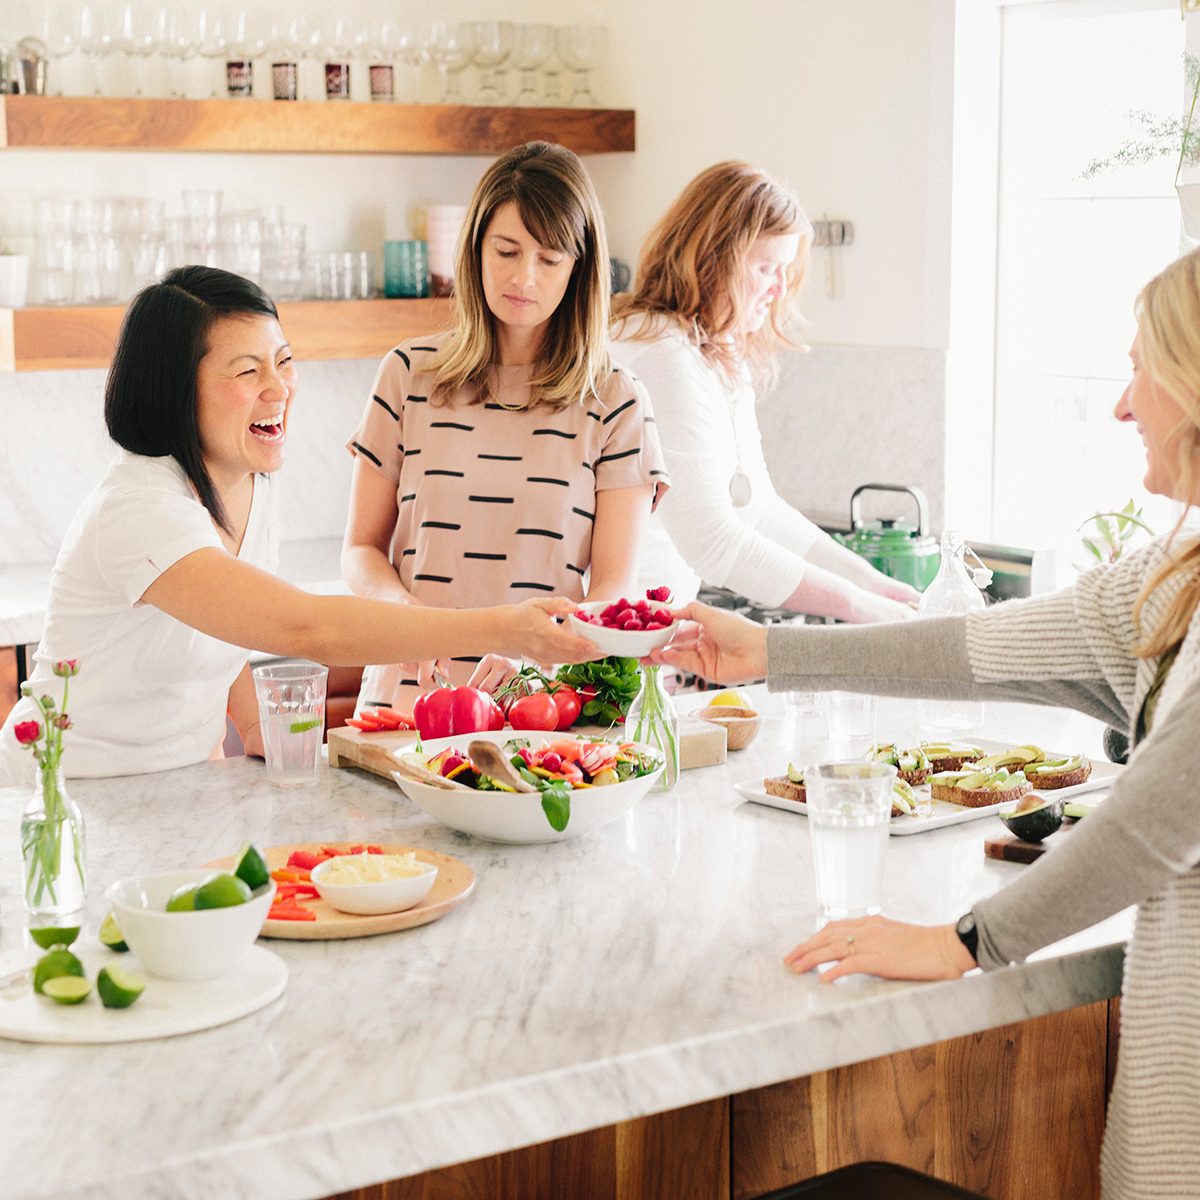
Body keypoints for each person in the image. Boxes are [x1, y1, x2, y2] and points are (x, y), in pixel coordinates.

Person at [653, 248, 1200, 1198]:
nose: (1122, 405)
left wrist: (963, 941)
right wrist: (772, 654)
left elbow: (1155, 824)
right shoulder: (1175, 573)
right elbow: (979, 650)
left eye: (1140, 369)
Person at [0, 266, 597, 786]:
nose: (278, 387)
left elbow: (217, 627)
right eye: (247, 370)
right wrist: (503, 628)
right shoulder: (139, 508)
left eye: (284, 361)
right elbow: (304, 626)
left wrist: (255, 725)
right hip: (63, 797)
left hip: (172, 790)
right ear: (175, 393)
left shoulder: (247, 484)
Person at [343, 141, 666, 709]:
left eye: (549, 259)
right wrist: (409, 620)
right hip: (404, 699)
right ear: (475, 251)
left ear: (579, 267)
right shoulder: (407, 375)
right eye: (508, 251)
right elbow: (360, 551)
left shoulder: (616, 401)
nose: (526, 278)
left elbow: (615, 590)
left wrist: (532, 666)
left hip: (538, 709)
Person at [610, 161, 918, 623]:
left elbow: (758, 509)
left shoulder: (713, 352)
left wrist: (876, 586)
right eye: (766, 267)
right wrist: (861, 608)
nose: (778, 289)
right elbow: (714, 542)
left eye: (784, 270)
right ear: (713, 260)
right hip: (609, 636)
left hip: (643, 631)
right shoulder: (660, 355)